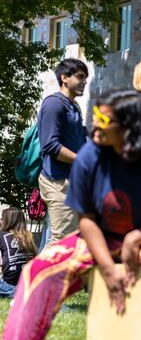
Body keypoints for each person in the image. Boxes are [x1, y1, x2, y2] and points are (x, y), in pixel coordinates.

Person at [0, 90, 141, 340]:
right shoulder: (90, 154)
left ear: (132, 127)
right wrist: (107, 266)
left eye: (105, 119)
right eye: (95, 116)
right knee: (38, 270)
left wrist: (137, 236)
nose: (95, 125)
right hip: (99, 236)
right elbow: (86, 219)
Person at [37, 58, 88, 245]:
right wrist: (82, 160)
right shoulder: (54, 104)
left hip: (70, 182)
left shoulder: (73, 106)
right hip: (57, 182)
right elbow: (50, 145)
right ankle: (39, 274)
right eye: (80, 77)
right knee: (61, 241)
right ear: (64, 77)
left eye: (85, 78)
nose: (84, 82)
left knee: (72, 239)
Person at [0, 207, 37, 297]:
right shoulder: (29, 237)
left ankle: (15, 292)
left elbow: (1, 263)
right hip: (28, 283)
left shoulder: (1, 236)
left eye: (2, 218)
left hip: (9, 283)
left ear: (7, 221)